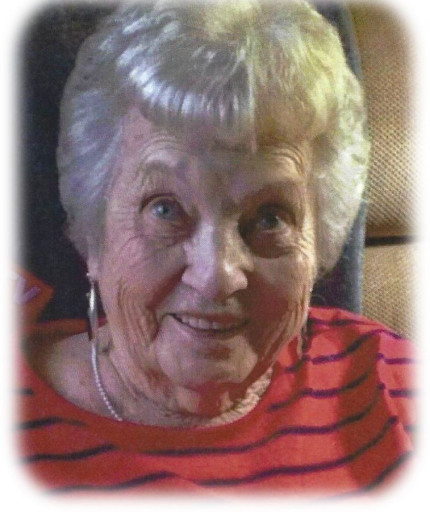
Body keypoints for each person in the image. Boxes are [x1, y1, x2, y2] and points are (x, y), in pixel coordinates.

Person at [18, 0, 414, 495]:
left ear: (320, 244)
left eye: (270, 218)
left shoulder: (396, 387)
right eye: (165, 209)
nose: (216, 275)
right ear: (93, 233)